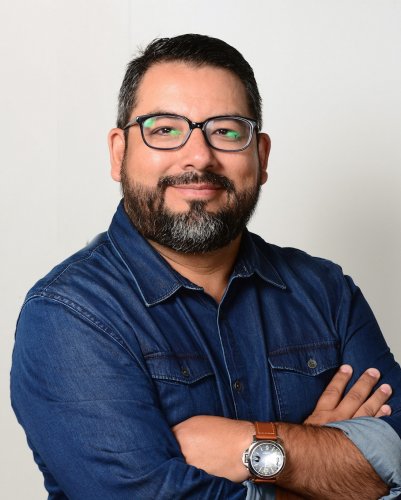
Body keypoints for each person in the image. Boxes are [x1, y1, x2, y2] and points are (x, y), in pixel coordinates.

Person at [11, 34, 401, 499]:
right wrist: (321, 462)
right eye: (164, 129)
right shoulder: (70, 315)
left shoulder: (327, 291)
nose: (198, 156)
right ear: (119, 153)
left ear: (261, 156)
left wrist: (247, 446)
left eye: (227, 131)